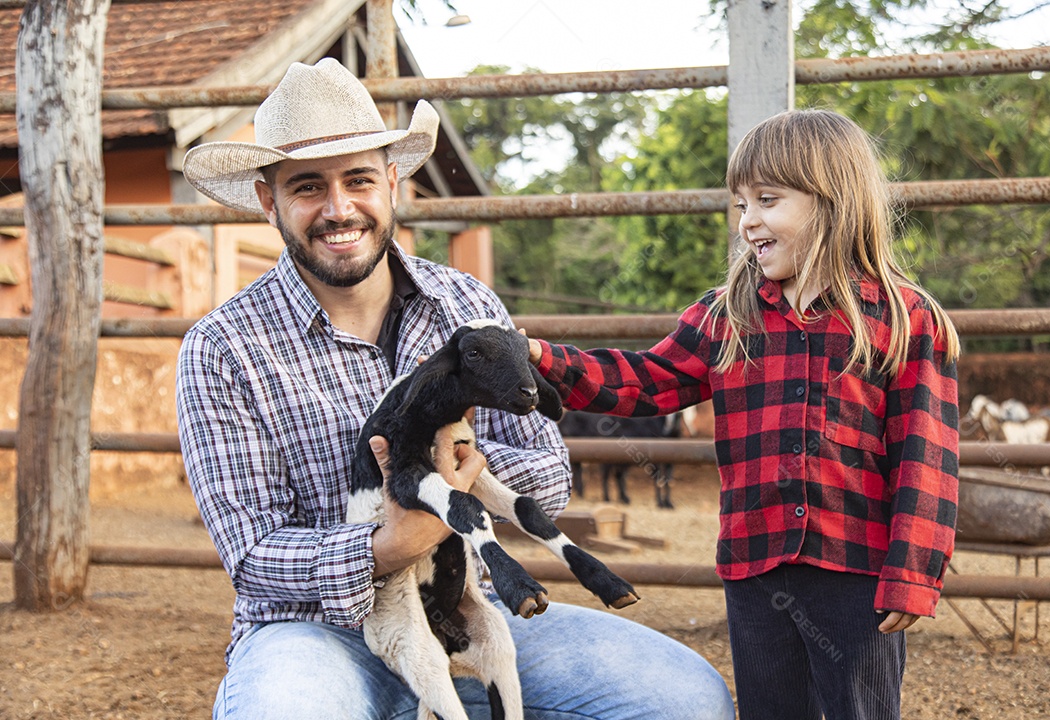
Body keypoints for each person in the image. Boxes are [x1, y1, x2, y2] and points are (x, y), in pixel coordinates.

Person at [176, 57, 734, 720]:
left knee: (688, 699)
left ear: (391, 182)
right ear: (269, 201)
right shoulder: (223, 346)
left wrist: (462, 473)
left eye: (358, 179)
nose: (338, 208)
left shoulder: (466, 303)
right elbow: (253, 553)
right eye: (306, 187)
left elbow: (549, 472)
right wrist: (391, 543)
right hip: (316, 632)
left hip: (468, 607)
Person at [526, 109, 961, 720]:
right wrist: (539, 358)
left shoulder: (904, 318)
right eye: (740, 204)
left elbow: (927, 460)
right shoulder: (726, 315)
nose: (748, 220)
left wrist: (915, 571)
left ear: (831, 201)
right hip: (757, 570)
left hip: (856, 569)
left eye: (767, 199)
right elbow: (645, 383)